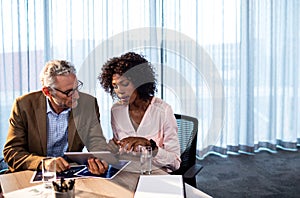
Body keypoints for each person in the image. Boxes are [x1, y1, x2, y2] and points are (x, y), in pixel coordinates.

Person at [3, 60, 109, 175]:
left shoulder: (88, 103)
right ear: (47, 92)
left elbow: (96, 142)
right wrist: (44, 163)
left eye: (77, 88)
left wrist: (100, 159)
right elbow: (11, 152)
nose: (76, 96)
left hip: (71, 172)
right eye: (69, 92)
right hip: (32, 173)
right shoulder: (23, 105)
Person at [98, 52, 181, 172]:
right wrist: (113, 149)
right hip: (127, 172)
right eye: (115, 86)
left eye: (125, 84)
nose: (119, 91)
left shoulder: (163, 111)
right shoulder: (116, 110)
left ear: (139, 82)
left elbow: (175, 163)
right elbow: (121, 154)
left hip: (156, 174)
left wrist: (150, 146)